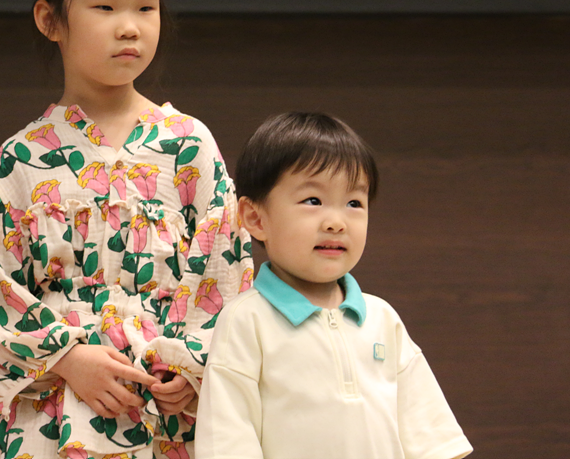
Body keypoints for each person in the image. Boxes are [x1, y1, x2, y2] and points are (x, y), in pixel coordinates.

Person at [0, 0, 253, 459]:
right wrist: (66, 357)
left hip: (162, 412)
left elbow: (224, 271)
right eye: (105, 6)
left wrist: (192, 367)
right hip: (49, 412)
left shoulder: (188, 146)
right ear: (50, 20)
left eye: (146, 7)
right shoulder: (20, 160)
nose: (130, 26)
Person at [195, 112, 472, 459]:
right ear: (255, 218)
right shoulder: (246, 321)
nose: (336, 223)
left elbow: (433, 441)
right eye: (313, 200)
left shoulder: (382, 319)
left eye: (354, 203)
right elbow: (227, 441)